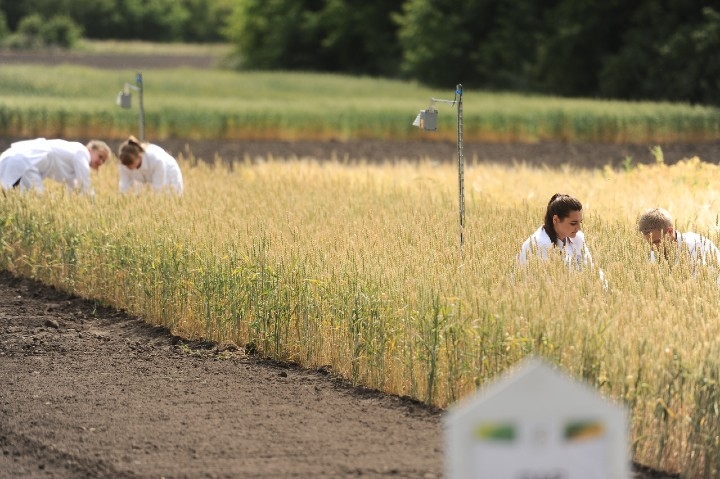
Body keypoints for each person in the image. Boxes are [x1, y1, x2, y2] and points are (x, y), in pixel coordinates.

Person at [0, 138, 110, 194]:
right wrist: (95, 206)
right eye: (100, 156)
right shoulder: (82, 152)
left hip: (12, 158)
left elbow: (73, 185)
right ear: (90, 149)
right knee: (36, 199)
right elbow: (84, 185)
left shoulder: (73, 151)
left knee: (11, 199)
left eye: (103, 161)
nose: (100, 162)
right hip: (25, 163)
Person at [637, 208, 720, 281]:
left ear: (670, 231)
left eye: (656, 242)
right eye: (649, 243)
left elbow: (704, 286)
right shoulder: (652, 255)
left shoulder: (697, 246)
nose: (652, 248)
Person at [519, 193, 594, 270]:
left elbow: (592, 270)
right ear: (556, 219)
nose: (579, 228)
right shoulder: (541, 245)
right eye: (573, 223)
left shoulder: (578, 238)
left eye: (580, 222)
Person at [117, 136, 183, 194]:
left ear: (139, 157)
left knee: (169, 196)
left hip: (169, 174)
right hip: (148, 178)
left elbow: (158, 187)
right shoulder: (124, 164)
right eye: (125, 164)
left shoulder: (156, 160)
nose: (127, 167)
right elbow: (124, 185)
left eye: (130, 163)